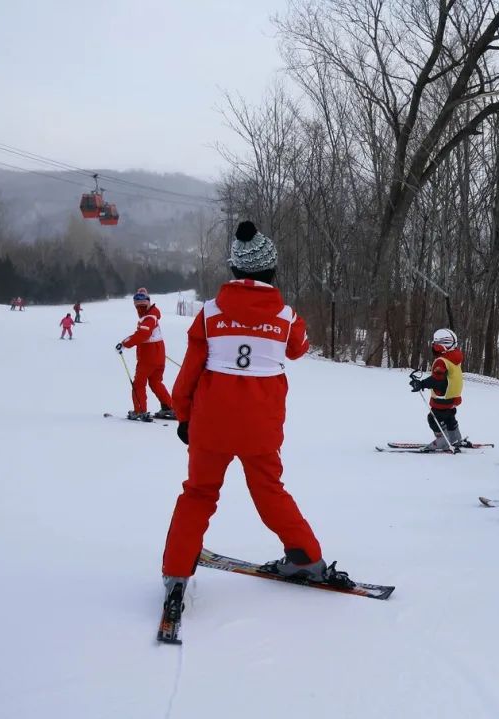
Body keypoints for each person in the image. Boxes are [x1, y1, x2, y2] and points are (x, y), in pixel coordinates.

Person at [161, 221, 336, 610]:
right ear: (271, 271)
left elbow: (189, 371)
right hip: (261, 426)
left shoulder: (209, 315)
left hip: (211, 423)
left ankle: (176, 573)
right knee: (269, 490)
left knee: (199, 494)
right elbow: (298, 350)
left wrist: (184, 416)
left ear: (235, 271)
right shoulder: (287, 317)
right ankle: (307, 558)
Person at [116, 288, 174, 421]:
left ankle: (140, 410)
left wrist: (125, 343)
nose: (139, 308)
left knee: (139, 383)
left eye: (142, 305)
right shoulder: (152, 315)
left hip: (149, 357)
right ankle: (168, 407)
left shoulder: (149, 318)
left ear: (148, 302)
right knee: (155, 382)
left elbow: (143, 334)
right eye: (137, 305)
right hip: (157, 355)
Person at [409, 328, 465, 451]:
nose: (433, 346)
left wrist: (421, 384)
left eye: (434, 343)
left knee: (434, 419)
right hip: (453, 397)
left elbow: (437, 380)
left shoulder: (441, 361)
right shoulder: (455, 357)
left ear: (440, 344)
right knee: (449, 416)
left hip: (442, 398)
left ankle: (443, 441)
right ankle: (455, 438)